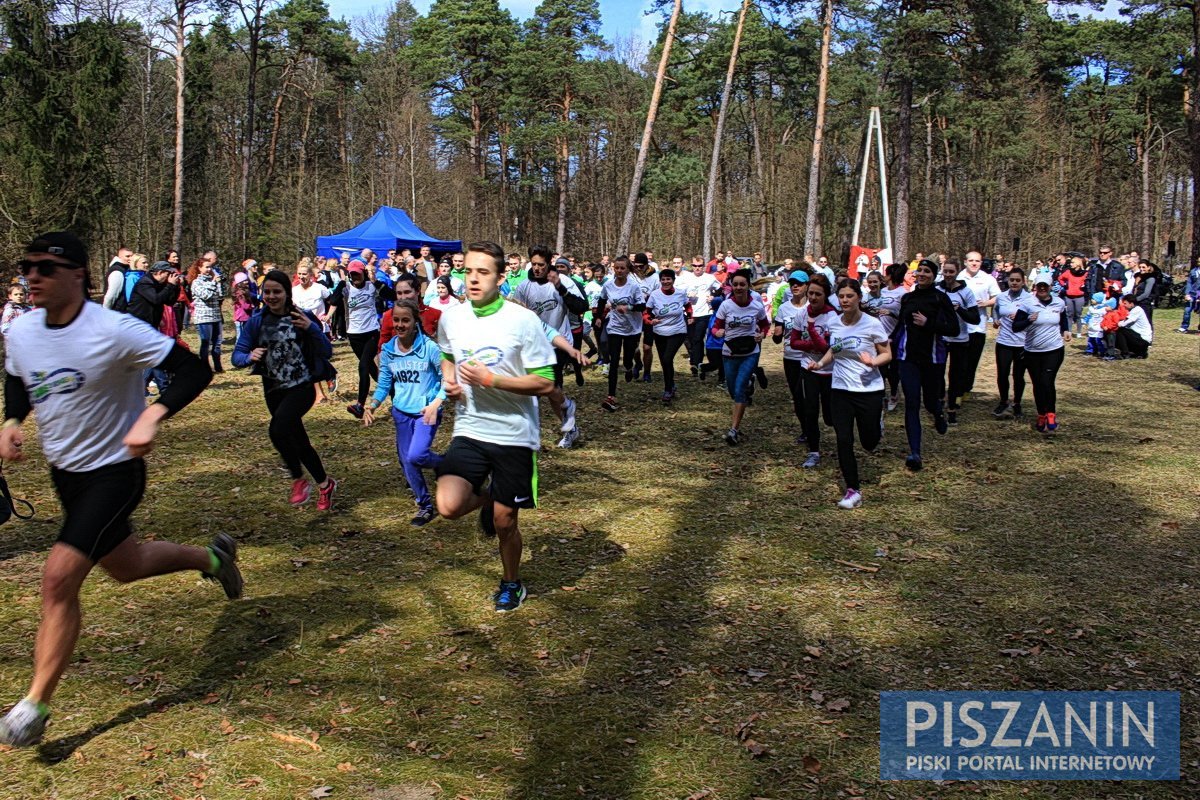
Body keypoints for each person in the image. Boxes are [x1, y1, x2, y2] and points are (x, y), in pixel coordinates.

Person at [0, 232, 237, 748]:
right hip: (66, 474)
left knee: (58, 578)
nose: (32, 276)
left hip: (116, 471)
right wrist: (13, 418)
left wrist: (152, 414)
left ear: (79, 276)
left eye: (45, 268)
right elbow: (16, 376)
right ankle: (212, 559)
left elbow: (192, 369)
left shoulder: (114, 329)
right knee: (125, 566)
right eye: (27, 266)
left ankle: (34, 706)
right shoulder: (21, 331)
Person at [434, 241, 557, 613]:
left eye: (483, 272)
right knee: (449, 506)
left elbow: (546, 381)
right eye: (468, 271)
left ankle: (511, 583)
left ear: (501, 278)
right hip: (471, 428)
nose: (473, 278)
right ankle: (490, 493)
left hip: (515, 434)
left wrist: (492, 381)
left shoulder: (522, 320)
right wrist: (450, 383)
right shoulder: (452, 317)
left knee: (504, 524)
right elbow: (447, 355)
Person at [232, 269, 338, 510]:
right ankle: (325, 484)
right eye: (266, 292)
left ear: (286, 293)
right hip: (273, 390)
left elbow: (326, 351)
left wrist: (310, 328)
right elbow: (236, 356)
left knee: (278, 429)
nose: (271, 296)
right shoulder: (256, 322)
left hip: (301, 387)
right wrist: (249, 356)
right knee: (299, 441)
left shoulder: (302, 316)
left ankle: (298, 479)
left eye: (276, 291)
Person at [808, 279, 891, 509]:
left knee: (869, 442)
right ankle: (853, 490)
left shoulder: (872, 324)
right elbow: (834, 349)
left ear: (859, 298)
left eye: (849, 296)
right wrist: (820, 364)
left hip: (868, 390)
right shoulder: (834, 323)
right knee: (843, 439)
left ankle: (878, 423)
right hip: (841, 389)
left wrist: (873, 361)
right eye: (842, 296)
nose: (845, 300)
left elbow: (887, 354)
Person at [364, 299, 445, 527]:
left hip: (425, 412)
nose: (400, 325)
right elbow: (384, 384)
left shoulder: (429, 348)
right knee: (407, 462)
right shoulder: (389, 350)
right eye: (396, 320)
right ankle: (425, 506)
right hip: (401, 412)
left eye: (405, 320)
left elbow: (447, 379)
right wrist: (372, 405)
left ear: (415, 321)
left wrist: (435, 403)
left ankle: (443, 463)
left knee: (416, 456)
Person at [511, 245, 588, 447]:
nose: (537, 268)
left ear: (549, 264)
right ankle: (566, 424)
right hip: (534, 344)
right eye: (534, 264)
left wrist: (560, 288)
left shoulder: (564, 281)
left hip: (559, 343)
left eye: (541, 265)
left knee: (548, 387)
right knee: (541, 390)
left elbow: (582, 307)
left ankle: (566, 427)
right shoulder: (523, 286)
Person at [893, 259, 958, 470]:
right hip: (907, 358)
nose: (921, 274)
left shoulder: (941, 298)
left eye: (927, 271)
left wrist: (928, 323)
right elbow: (900, 327)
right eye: (919, 270)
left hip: (932, 359)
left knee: (930, 402)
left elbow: (954, 329)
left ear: (934, 275)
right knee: (911, 403)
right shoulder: (907, 298)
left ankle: (938, 414)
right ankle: (915, 453)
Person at [712, 269, 768, 445]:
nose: (738, 287)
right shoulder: (726, 305)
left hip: (750, 353)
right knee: (732, 390)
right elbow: (715, 327)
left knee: (739, 390)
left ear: (748, 286)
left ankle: (733, 430)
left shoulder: (756, 306)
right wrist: (718, 332)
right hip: (730, 353)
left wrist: (762, 335)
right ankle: (751, 380)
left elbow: (765, 325)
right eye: (735, 284)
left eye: (742, 284)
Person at [788, 274, 837, 467]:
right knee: (809, 410)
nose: (814, 298)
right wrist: (812, 345)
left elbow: (827, 348)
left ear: (826, 295)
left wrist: (811, 328)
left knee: (829, 417)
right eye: (811, 294)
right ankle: (814, 452)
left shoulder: (832, 316)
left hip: (829, 371)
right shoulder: (801, 313)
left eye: (818, 294)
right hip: (807, 368)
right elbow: (793, 342)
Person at [1013, 275, 1070, 432]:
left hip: (1054, 349)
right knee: (1038, 384)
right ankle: (1041, 414)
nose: (1042, 288)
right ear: (1035, 287)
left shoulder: (1059, 302)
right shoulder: (1027, 303)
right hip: (1032, 351)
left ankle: (1051, 413)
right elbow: (1016, 326)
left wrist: (1065, 330)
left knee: (1047, 381)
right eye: (1039, 286)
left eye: (1045, 286)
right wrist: (1028, 320)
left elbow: (1063, 319)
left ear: (1051, 286)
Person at [596, 255, 645, 412]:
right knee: (614, 360)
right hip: (615, 327)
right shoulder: (608, 285)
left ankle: (630, 367)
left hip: (632, 328)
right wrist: (599, 317)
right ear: (613, 269)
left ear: (627, 269)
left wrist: (628, 308)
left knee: (628, 358)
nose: (619, 271)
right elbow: (601, 301)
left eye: (622, 268)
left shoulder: (633, 287)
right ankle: (611, 396)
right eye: (616, 268)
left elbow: (642, 306)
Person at [936, 259, 979, 424]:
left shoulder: (966, 292)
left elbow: (974, 318)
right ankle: (940, 401)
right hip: (941, 338)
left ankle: (952, 408)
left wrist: (958, 309)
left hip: (960, 339)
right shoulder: (937, 289)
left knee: (956, 375)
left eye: (951, 272)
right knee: (938, 373)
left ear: (957, 273)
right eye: (945, 271)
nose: (948, 275)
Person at [771, 270, 810, 442]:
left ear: (806, 285)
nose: (795, 286)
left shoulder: (812, 307)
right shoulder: (784, 308)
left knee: (809, 396)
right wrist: (777, 334)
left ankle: (811, 427)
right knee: (797, 396)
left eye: (799, 283)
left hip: (811, 358)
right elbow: (777, 339)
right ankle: (806, 429)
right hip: (791, 358)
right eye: (792, 283)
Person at [342, 262, 382, 419]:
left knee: (363, 365)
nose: (355, 277)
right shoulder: (346, 288)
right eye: (352, 274)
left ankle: (359, 405)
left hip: (372, 332)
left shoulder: (371, 286)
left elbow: (391, 295)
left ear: (364, 273)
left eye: (357, 274)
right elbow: (332, 300)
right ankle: (393, 391)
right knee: (370, 367)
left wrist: (376, 281)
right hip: (354, 334)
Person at [959, 251, 999, 396]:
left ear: (981, 263)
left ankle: (966, 389)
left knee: (972, 361)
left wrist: (986, 303)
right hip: (960, 327)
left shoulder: (988, 279)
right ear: (965, 262)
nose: (974, 263)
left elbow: (997, 297)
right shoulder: (959, 277)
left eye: (977, 261)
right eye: (971, 261)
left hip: (978, 326)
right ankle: (957, 390)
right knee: (959, 362)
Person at [992, 266, 1030, 419]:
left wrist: (1023, 318)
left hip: (1022, 343)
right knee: (1002, 373)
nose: (1014, 283)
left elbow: (1035, 317)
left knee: (1018, 376)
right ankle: (1003, 401)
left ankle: (1017, 403)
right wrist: (995, 320)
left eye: (1017, 280)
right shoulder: (1002, 297)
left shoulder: (1029, 298)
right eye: (1012, 280)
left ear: (1023, 282)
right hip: (1004, 342)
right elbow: (995, 309)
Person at [877, 263, 909, 410]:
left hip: (895, 335)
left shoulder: (903, 293)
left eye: (886, 274)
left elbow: (904, 317)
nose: (884, 276)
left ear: (890, 276)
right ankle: (881, 394)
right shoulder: (882, 291)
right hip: (880, 335)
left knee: (893, 369)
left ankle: (895, 393)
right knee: (881, 366)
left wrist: (891, 314)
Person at [188, 255, 225, 373]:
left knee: (217, 343)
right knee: (206, 343)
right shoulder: (196, 283)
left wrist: (218, 284)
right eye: (206, 267)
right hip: (203, 318)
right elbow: (206, 296)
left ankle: (218, 367)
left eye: (210, 267)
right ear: (199, 268)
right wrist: (214, 283)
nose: (209, 270)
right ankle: (204, 367)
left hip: (216, 316)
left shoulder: (212, 280)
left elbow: (220, 296)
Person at [1111, 294, 1153, 359]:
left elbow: (1124, 323)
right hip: (1138, 338)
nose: (1124, 305)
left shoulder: (1137, 310)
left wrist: (1114, 323)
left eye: (1125, 303)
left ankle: (1125, 353)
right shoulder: (1133, 310)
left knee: (1120, 330)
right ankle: (1138, 352)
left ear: (1131, 304)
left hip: (1143, 340)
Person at [1057, 256, 1089, 336]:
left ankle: (1078, 332)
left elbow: (1088, 282)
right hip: (1069, 296)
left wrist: (1084, 286)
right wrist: (1064, 284)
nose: (1070, 264)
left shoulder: (1084, 273)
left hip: (1079, 297)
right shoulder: (1068, 272)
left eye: (1072, 262)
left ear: (1078, 264)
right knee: (1069, 314)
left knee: (1078, 315)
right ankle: (1069, 331)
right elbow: (1060, 278)